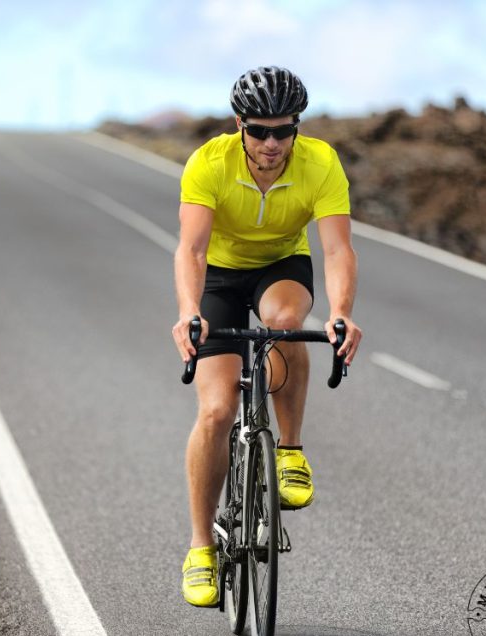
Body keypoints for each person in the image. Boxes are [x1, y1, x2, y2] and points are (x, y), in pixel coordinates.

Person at [172, 66, 363, 607]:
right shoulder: (210, 162)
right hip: (220, 276)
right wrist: (189, 311)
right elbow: (190, 250)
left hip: (281, 264)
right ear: (240, 125)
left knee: (285, 325)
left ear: (297, 127)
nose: (272, 143)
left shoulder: (321, 163)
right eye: (259, 131)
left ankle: (291, 452)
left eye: (284, 130)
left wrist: (341, 312)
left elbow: (337, 250)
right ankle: (201, 548)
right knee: (214, 410)